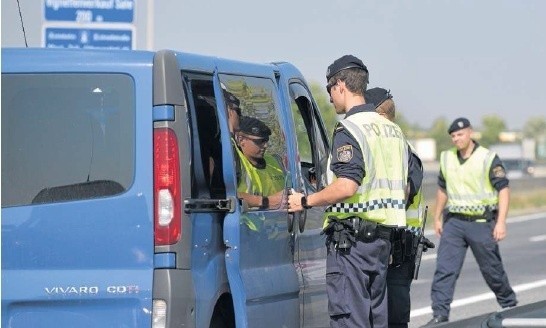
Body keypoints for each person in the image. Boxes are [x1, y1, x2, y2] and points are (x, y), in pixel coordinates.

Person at [288, 55, 416, 328]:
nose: (331, 98)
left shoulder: (349, 128)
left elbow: (347, 185)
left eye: (329, 89)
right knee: (375, 318)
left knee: (349, 319)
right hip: (382, 242)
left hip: (352, 245)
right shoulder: (393, 131)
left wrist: (305, 200)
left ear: (341, 86)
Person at [424, 118, 518, 326]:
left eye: (460, 134)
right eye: (453, 136)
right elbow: (442, 189)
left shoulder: (487, 158)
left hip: (481, 222)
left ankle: (509, 305)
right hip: (454, 223)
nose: (457, 139)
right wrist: (437, 217)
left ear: (470, 133)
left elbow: (503, 189)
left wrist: (501, 222)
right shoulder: (447, 157)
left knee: (492, 269)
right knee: (445, 270)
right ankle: (440, 315)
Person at [366, 87, 435, 328]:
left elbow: (403, 195)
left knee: (394, 315)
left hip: (398, 246)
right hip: (375, 243)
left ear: (380, 117)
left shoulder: (405, 153)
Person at [235, 116, 285, 210]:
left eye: (266, 141)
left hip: (278, 221)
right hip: (245, 222)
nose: (265, 145)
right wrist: (267, 201)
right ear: (241, 140)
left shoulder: (276, 161)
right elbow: (227, 196)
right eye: (259, 141)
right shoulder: (234, 162)